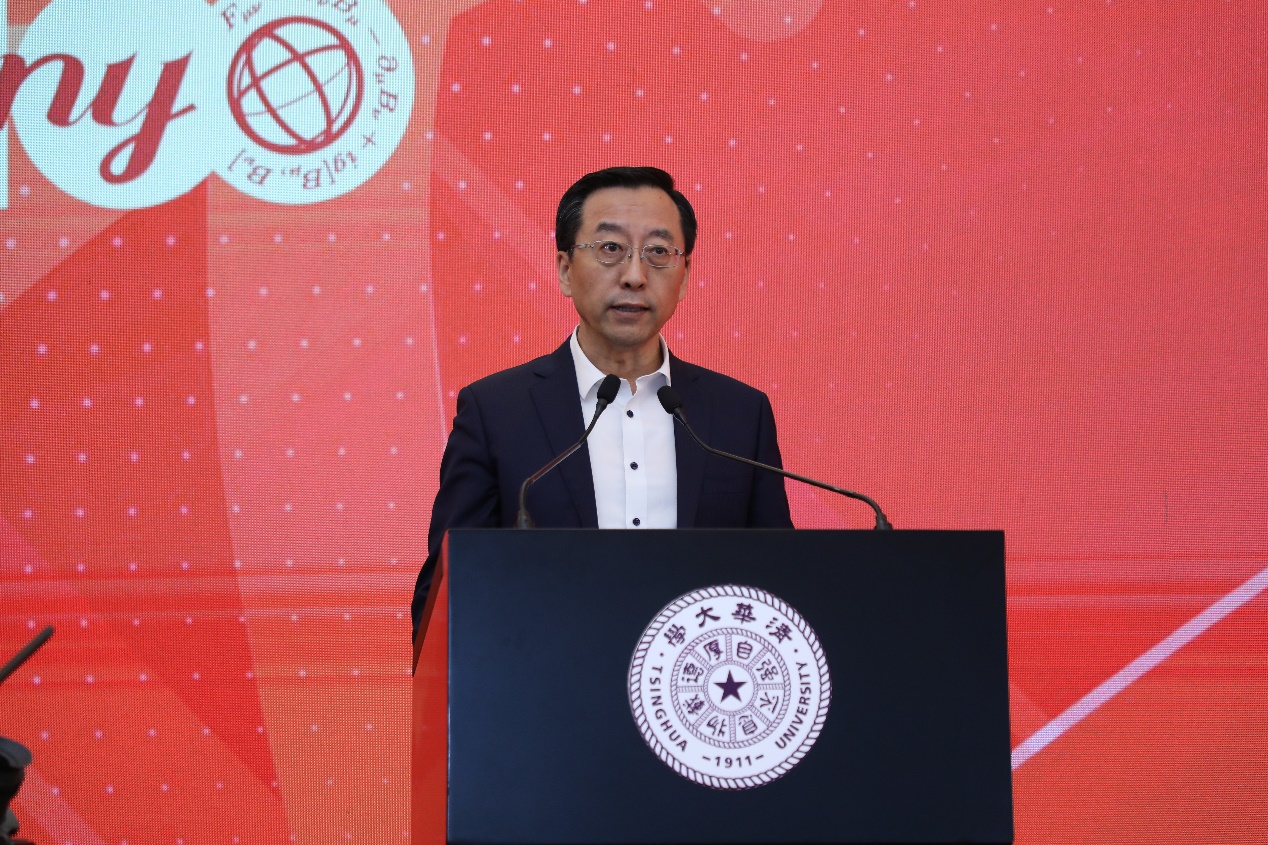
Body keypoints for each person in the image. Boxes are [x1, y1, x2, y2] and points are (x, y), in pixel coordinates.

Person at [411, 166, 793, 636]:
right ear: (565, 270)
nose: (634, 276)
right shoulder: (496, 412)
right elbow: (446, 595)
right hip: (549, 676)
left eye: (658, 252)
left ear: (685, 275)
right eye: (610, 248)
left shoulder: (740, 415)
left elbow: (782, 586)